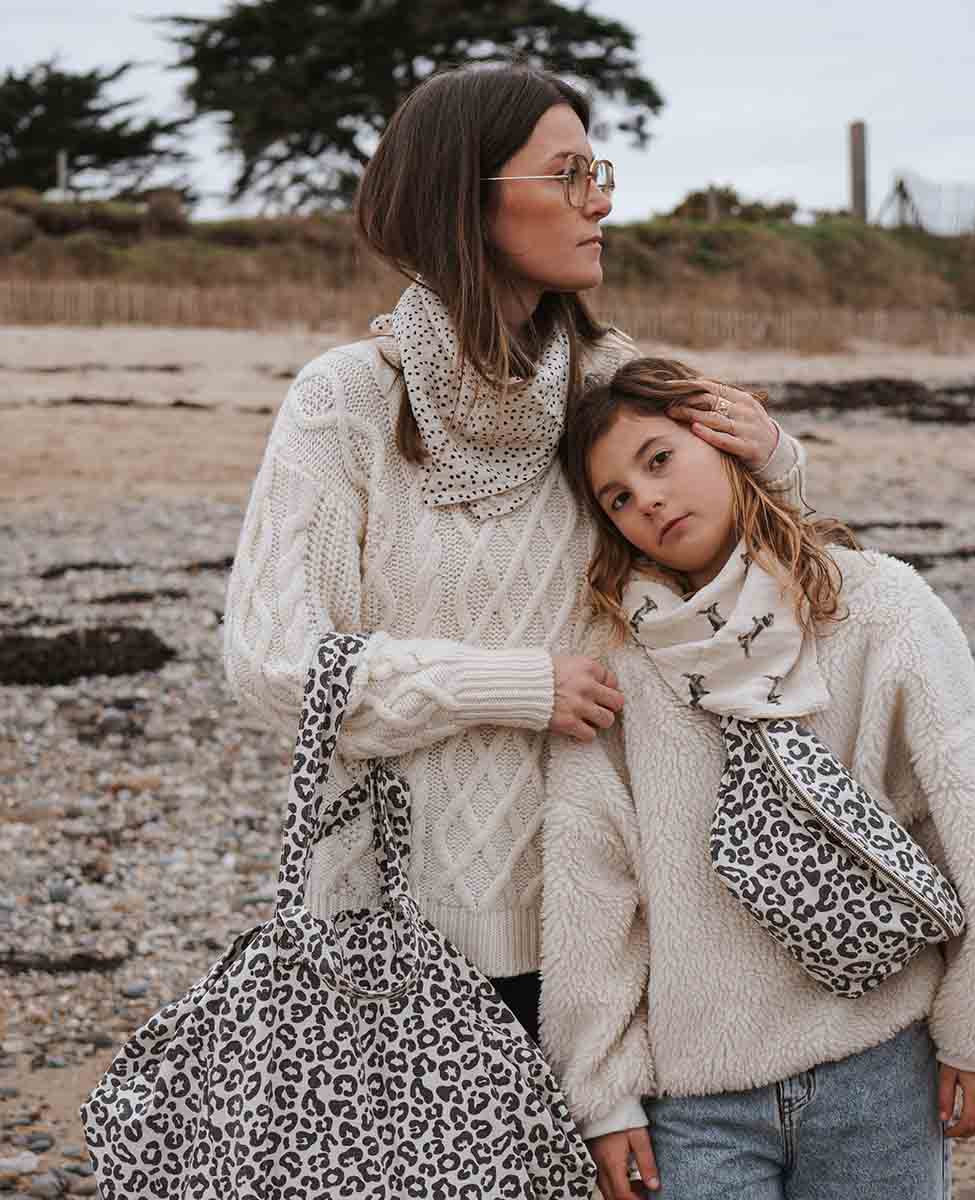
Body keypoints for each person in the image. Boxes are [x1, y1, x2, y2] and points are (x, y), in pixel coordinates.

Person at [221, 64, 807, 1042]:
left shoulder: (616, 386)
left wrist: (775, 464)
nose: (601, 201)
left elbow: (765, 586)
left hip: (619, 918)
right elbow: (274, 664)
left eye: (597, 172)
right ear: (467, 197)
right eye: (568, 174)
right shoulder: (344, 401)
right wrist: (512, 685)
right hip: (394, 934)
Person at [540, 356, 975, 1200]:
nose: (648, 500)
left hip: (880, 1061)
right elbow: (590, 877)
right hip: (696, 1096)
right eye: (618, 498)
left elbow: (967, 815)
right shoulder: (615, 660)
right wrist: (602, 1093)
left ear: (725, 442)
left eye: (660, 460)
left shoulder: (879, 606)